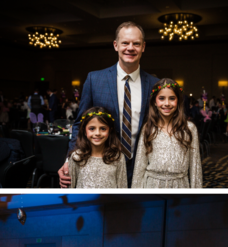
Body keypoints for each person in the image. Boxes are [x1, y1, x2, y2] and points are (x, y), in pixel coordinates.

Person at [60, 22, 160, 188]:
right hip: (103, 166)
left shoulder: (154, 85)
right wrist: (69, 160)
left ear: (143, 47)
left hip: (142, 167)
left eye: (136, 43)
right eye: (125, 43)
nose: (130, 48)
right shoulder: (94, 79)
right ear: (116, 45)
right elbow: (79, 124)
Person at [132, 79, 202, 188]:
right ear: (155, 102)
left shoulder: (189, 128)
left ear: (178, 101)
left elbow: (195, 166)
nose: (167, 103)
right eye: (161, 98)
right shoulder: (148, 127)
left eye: (172, 98)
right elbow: (140, 165)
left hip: (179, 185)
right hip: (152, 185)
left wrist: (196, 195)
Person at [68, 107, 127, 188]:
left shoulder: (117, 157)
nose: (97, 133)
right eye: (92, 128)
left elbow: (122, 188)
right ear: (84, 131)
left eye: (103, 128)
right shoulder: (77, 157)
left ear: (110, 130)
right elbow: (70, 189)